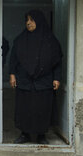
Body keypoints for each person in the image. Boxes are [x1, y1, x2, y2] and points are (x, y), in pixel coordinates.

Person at [9, 10, 62, 144]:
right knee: (24, 108)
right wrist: (12, 75)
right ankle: (24, 134)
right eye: (27, 20)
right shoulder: (20, 40)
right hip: (25, 81)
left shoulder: (50, 41)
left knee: (42, 109)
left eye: (31, 20)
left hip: (43, 82)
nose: (28, 23)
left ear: (39, 21)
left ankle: (41, 135)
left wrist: (57, 78)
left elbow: (57, 61)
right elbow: (13, 59)